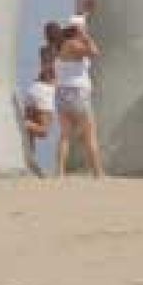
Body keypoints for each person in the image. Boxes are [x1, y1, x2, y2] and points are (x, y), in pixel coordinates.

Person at [54, 15, 103, 178]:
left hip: (62, 93)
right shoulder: (74, 45)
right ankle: (98, 173)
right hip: (77, 93)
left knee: (65, 134)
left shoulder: (62, 44)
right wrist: (86, 37)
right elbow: (95, 52)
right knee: (90, 135)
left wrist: (84, 14)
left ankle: (60, 173)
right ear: (78, 30)